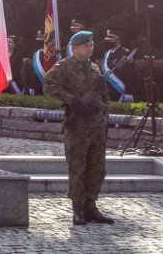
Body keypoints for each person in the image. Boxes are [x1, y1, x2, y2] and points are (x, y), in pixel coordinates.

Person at [44, 29, 115, 226]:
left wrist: (104, 109)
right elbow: (49, 86)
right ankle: (78, 209)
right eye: (86, 45)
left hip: (97, 126)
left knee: (97, 168)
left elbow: (104, 93)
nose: (89, 48)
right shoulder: (64, 66)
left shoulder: (94, 68)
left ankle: (91, 207)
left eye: (91, 45)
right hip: (78, 127)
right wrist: (72, 100)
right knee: (77, 167)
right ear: (74, 48)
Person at [102, 31, 135, 102]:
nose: (108, 42)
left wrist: (129, 93)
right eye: (107, 40)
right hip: (107, 91)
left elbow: (129, 75)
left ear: (118, 41)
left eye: (110, 40)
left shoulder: (126, 53)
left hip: (119, 91)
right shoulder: (106, 54)